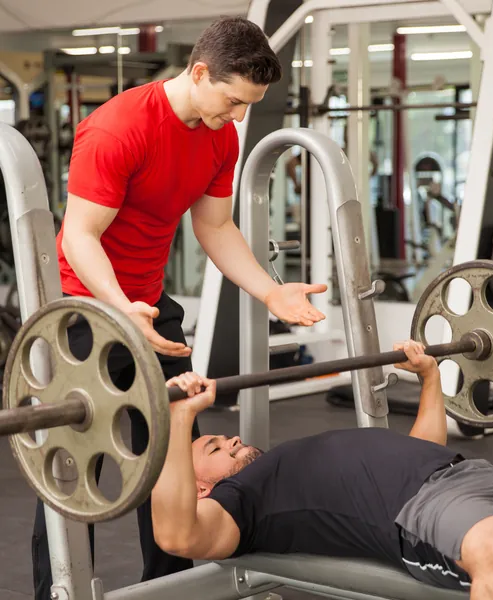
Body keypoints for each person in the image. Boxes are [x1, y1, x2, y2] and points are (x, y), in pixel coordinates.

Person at [34, 15, 328, 600]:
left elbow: (214, 226)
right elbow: (80, 236)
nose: (238, 117)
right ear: (198, 73)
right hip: (84, 314)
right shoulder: (117, 129)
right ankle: (58, 593)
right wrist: (120, 307)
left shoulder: (220, 135)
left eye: (248, 105)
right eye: (233, 100)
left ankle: (172, 588)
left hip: (149, 306)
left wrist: (270, 291)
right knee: (73, 469)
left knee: (173, 451)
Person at [152, 340, 493, 600]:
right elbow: (176, 536)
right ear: (200, 489)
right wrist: (179, 418)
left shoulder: (283, 462)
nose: (231, 439)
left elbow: (422, 452)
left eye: (223, 437)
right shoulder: (241, 503)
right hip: (426, 513)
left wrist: (429, 378)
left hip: (483, 477)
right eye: (214, 447)